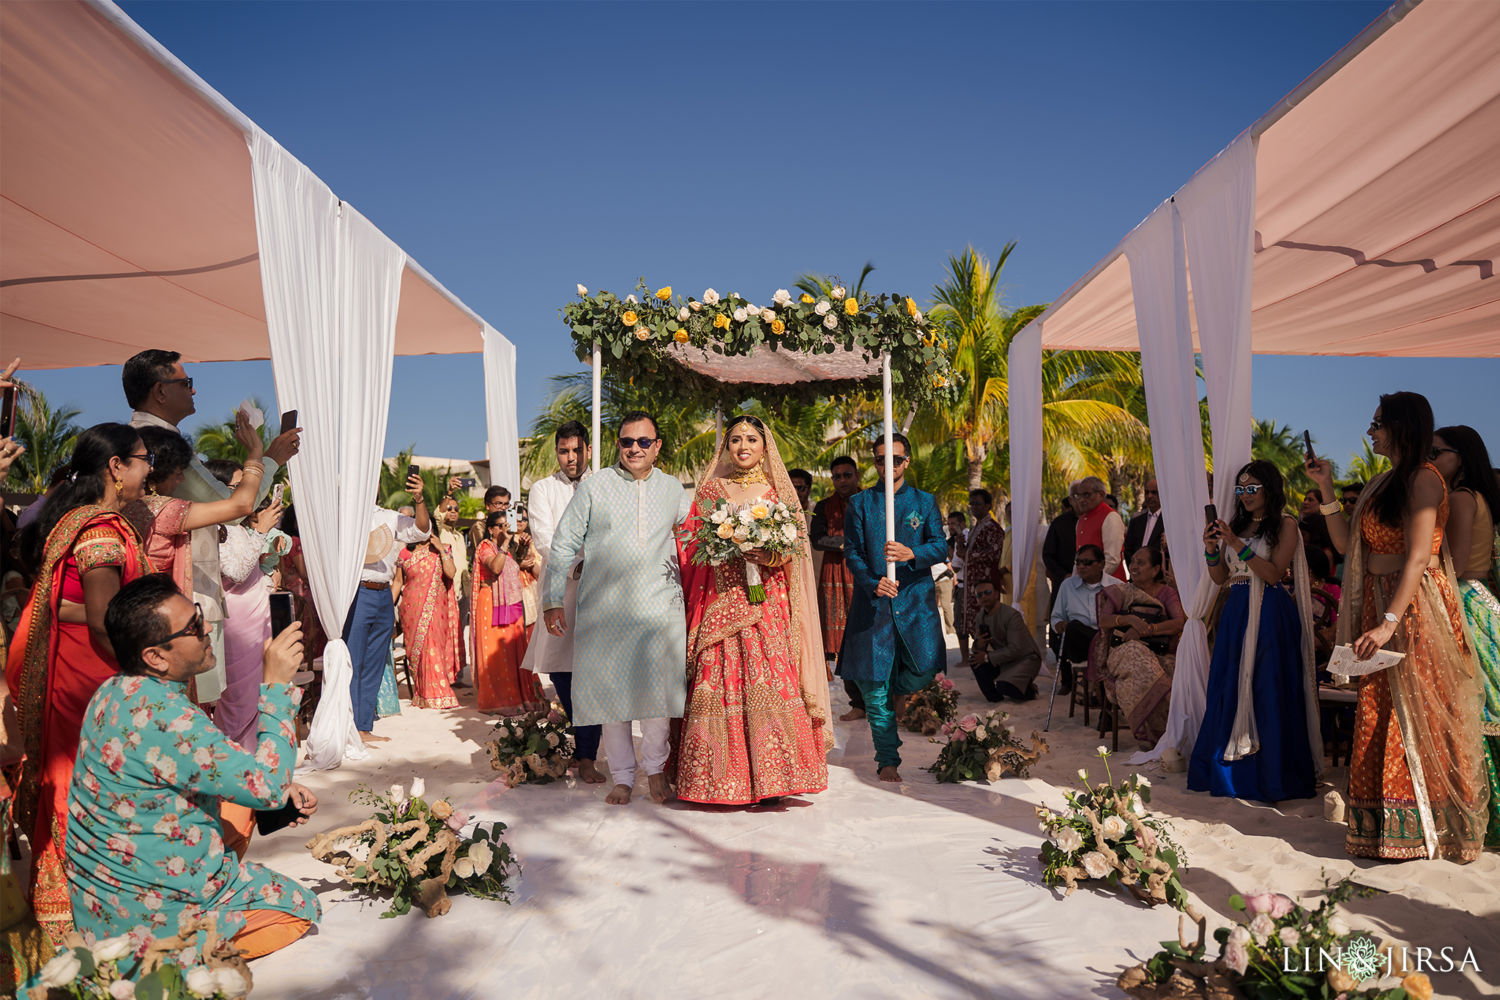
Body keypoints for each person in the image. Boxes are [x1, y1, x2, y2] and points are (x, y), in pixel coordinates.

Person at [67, 574, 319, 955]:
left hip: (105, 901)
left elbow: (208, 763)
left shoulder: (113, 689)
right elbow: (267, 790)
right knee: (300, 907)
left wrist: (269, 782)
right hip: (156, 909)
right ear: (156, 656)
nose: (206, 631)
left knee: (240, 805)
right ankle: (187, 955)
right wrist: (276, 688)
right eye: (194, 627)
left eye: (198, 616)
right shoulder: (167, 716)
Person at [1309, 395, 1488, 861]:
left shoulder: (1425, 481)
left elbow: (1417, 556)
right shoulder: (1383, 482)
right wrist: (1326, 489)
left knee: (1420, 713)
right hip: (1380, 602)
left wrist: (1389, 622)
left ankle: (1429, 832)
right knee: (1379, 712)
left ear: (1401, 427)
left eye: (1377, 424)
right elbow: (1350, 545)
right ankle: (1384, 828)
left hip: (1413, 609)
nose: (1370, 433)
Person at [7, 424, 155, 941]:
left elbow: (58, 602)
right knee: (87, 779)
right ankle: (86, 908)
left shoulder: (76, 519)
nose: (148, 470)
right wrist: (145, 678)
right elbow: (101, 619)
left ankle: (66, 905)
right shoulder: (100, 532)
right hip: (92, 673)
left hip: (72, 665)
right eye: (143, 460)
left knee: (75, 777)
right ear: (115, 466)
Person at [125, 349, 300, 704]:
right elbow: (233, 506)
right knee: (192, 704)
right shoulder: (156, 440)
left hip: (174, 592)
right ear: (160, 391)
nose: (193, 391)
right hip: (180, 595)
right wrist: (264, 457)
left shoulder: (144, 437)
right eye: (186, 383)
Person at [677, 415, 829, 805]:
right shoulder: (711, 490)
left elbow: (793, 549)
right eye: (735, 439)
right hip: (722, 597)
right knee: (719, 677)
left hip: (766, 602)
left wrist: (770, 553)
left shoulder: (777, 492)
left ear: (765, 447)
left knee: (770, 679)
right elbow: (693, 544)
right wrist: (723, 548)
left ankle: (776, 777)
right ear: (726, 447)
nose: (743, 446)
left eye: (751, 439)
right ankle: (716, 780)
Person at [542, 411, 691, 806]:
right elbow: (562, 543)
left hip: (660, 610)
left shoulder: (675, 489)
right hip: (605, 612)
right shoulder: (595, 487)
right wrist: (552, 600)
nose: (635, 449)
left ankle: (657, 770)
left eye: (644, 442)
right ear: (618, 446)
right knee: (613, 699)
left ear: (657, 446)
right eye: (627, 442)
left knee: (659, 697)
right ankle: (624, 776)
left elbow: (694, 542)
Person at [1189, 460, 1319, 803]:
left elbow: (1274, 574)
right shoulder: (1236, 525)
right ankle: (1230, 769)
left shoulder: (1286, 525)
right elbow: (1220, 580)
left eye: (1252, 489)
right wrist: (1212, 549)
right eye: (1240, 489)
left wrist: (1235, 542)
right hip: (1236, 610)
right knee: (1230, 683)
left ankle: (1272, 773)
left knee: (1268, 687)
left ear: (1269, 490)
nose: (1245, 495)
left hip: (1270, 613)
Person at [838, 432, 947, 783]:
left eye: (896, 459)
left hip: (916, 606)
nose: (889, 465)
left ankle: (899, 697)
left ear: (907, 461)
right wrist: (873, 582)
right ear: (874, 462)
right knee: (873, 688)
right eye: (882, 459)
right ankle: (887, 758)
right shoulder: (861, 503)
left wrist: (912, 553)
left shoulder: (924, 501)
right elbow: (852, 552)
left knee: (925, 669)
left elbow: (940, 547)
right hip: (873, 606)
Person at [1426, 424, 1500, 849]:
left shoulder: (1458, 497)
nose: (1431, 459)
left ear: (1462, 455)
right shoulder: (1480, 496)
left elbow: (1446, 562)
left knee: (1474, 709)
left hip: (1465, 602)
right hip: (1485, 599)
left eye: (1438, 452)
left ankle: (1481, 813)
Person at [522, 421, 603, 783]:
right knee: (560, 671)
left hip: (602, 591)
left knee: (593, 673)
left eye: (577, 450)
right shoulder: (542, 489)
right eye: (564, 451)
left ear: (588, 449)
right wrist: (580, 564)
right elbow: (544, 539)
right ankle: (577, 741)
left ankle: (587, 754)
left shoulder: (604, 484)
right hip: (560, 592)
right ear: (557, 452)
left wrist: (595, 563)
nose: (571, 457)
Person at [345, 474, 430, 744]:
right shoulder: (342, 515)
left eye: (375, 478)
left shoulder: (388, 515)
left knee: (375, 664)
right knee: (352, 662)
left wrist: (419, 499)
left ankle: (363, 726)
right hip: (355, 592)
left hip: (384, 595)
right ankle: (347, 727)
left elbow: (421, 531)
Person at [1094, 545, 1185, 747]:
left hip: (1158, 651)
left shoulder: (1167, 593)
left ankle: (1164, 733)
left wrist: (1147, 629)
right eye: (1132, 561)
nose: (1133, 566)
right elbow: (1104, 620)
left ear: (1155, 570)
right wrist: (1129, 620)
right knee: (1136, 654)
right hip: (1123, 651)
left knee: (1168, 669)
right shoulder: (1120, 591)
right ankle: (1148, 733)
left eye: (1140, 563)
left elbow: (1179, 623)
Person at [810, 456, 861, 720]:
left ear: (857, 475)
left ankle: (876, 700)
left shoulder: (872, 501)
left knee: (866, 635)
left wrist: (844, 543)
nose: (842, 480)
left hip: (863, 574)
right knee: (840, 641)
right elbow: (817, 540)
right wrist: (846, 543)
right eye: (837, 476)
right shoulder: (822, 506)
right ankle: (857, 702)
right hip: (833, 576)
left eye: (847, 475)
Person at [397, 531, 461, 710]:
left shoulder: (442, 550)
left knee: (433, 646)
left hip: (435, 607)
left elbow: (451, 572)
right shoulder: (404, 554)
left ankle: (439, 693)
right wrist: (387, 606)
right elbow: (397, 583)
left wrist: (441, 549)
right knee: (416, 652)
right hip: (410, 609)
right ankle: (422, 693)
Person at [1049, 545, 1119, 694]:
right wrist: (1059, 624)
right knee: (1073, 627)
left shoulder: (1117, 586)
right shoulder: (1068, 586)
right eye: (1078, 562)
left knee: (1111, 635)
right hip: (1081, 647)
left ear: (1101, 564)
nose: (1081, 566)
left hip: (1109, 645)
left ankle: (1099, 692)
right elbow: (1056, 617)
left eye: (1087, 562)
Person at [967, 578, 1041, 701]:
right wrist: (979, 645)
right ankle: (994, 697)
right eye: (979, 595)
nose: (984, 597)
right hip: (1004, 658)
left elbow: (1016, 649)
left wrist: (987, 657)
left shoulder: (1011, 615)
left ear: (996, 594)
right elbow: (979, 646)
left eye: (987, 592)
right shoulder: (981, 616)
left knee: (1005, 688)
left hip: (1025, 659)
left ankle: (1029, 690)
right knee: (975, 660)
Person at [959, 489, 1004, 660]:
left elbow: (995, 553)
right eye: (971, 504)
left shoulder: (992, 528)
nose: (973, 507)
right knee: (975, 622)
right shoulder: (976, 528)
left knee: (988, 622)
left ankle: (992, 657)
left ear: (988, 505)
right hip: (972, 585)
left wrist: (969, 555)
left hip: (986, 584)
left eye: (977, 504)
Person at [433, 491, 471, 685]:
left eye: (456, 508)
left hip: (463, 590)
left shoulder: (457, 535)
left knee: (459, 633)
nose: (453, 511)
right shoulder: (441, 531)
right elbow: (438, 514)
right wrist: (447, 493)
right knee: (445, 633)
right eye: (450, 508)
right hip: (446, 589)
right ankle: (443, 676)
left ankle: (457, 674)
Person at [1071, 477, 1126, 581]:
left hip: (1109, 587)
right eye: (1079, 496)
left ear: (1101, 494)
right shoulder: (1081, 520)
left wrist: (1092, 581)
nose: (1081, 500)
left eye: (1087, 495)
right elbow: (1078, 559)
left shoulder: (1110, 517)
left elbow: (1112, 560)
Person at [1041, 495, 1078, 620]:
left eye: (1087, 495)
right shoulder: (1059, 523)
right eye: (1078, 496)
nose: (1083, 499)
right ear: (1071, 500)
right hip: (1063, 583)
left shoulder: (1100, 520)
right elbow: (1048, 554)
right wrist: (1064, 575)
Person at [1124, 478, 1164, 563]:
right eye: (1147, 492)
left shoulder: (1168, 523)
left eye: (1154, 493)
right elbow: (1128, 550)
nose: (1149, 496)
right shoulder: (1136, 521)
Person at [468, 485, 511, 551]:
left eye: (506, 504)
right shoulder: (479, 526)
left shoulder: (509, 526)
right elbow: (482, 552)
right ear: (487, 505)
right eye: (498, 503)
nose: (503, 508)